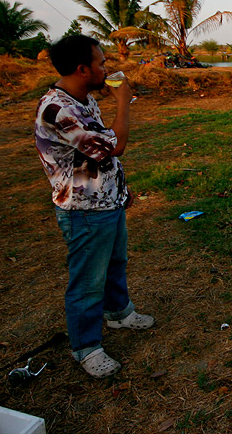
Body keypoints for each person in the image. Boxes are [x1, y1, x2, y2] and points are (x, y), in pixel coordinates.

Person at [35, 35, 154, 378]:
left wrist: (121, 188)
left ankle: (119, 313)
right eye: (101, 63)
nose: (107, 68)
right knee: (88, 278)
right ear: (83, 69)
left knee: (116, 260)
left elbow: (98, 154)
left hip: (106, 200)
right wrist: (124, 101)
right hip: (83, 208)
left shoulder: (82, 99)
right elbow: (113, 146)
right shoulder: (58, 109)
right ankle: (86, 347)